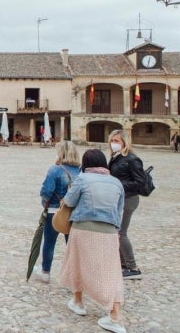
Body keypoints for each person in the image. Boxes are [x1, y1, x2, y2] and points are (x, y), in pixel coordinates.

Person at [59, 149, 126, 333]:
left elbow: (69, 202)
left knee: (77, 263)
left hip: (83, 228)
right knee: (111, 271)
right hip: (109, 231)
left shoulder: (82, 179)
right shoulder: (116, 183)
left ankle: (78, 302)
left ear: (85, 163)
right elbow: (119, 209)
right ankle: (115, 315)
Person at [31, 141, 81, 283]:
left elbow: (47, 191)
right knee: (70, 244)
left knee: (49, 242)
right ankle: (73, 274)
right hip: (74, 212)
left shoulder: (55, 169)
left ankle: (45, 271)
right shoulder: (80, 171)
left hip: (55, 211)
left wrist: (44, 203)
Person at [108, 129, 145, 280]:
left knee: (121, 232)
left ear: (124, 142)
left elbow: (139, 181)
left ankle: (132, 267)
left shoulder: (131, 159)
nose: (113, 144)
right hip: (119, 198)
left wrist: (118, 184)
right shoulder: (115, 157)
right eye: (112, 141)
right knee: (117, 231)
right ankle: (122, 264)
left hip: (129, 198)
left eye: (117, 141)